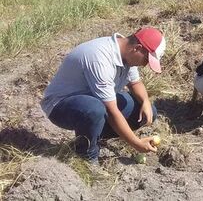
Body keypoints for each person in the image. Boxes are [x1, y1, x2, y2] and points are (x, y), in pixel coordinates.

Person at [40, 27, 167, 163]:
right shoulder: (100, 58)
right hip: (60, 105)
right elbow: (111, 112)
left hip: (94, 99)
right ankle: (87, 156)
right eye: (147, 59)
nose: (145, 64)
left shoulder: (126, 53)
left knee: (146, 111)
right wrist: (136, 144)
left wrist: (146, 102)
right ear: (137, 48)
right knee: (95, 109)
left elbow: (135, 83)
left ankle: (92, 135)